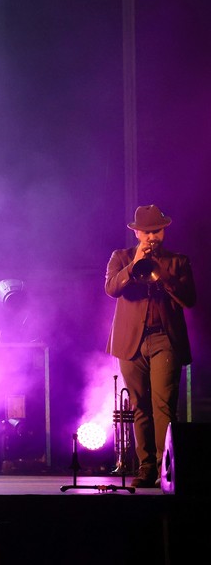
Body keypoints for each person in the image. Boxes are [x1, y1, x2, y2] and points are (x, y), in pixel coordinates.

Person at [105, 204, 196, 488]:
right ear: (137, 232)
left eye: (157, 231)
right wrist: (135, 266)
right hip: (131, 342)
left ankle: (166, 468)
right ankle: (146, 468)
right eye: (146, 232)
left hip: (163, 339)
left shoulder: (178, 261)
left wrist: (162, 274)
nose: (152, 237)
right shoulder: (120, 258)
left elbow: (189, 299)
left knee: (163, 406)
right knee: (139, 406)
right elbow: (112, 289)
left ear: (164, 230)